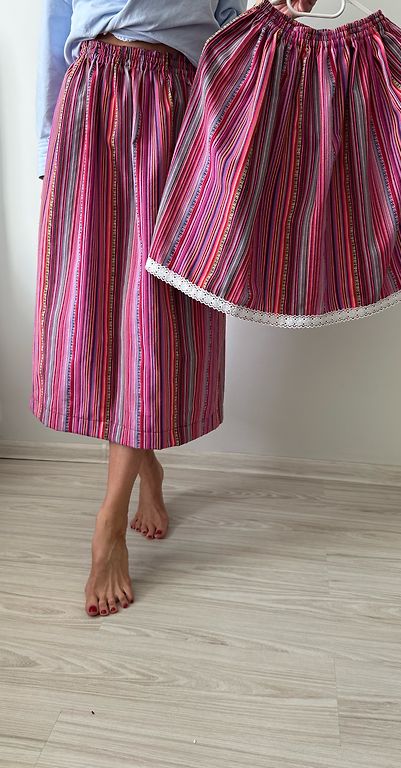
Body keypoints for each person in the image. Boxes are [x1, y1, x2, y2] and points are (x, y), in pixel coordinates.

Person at [31, 0, 248, 617]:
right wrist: (49, 144)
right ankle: (146, 466)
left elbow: (230, 23)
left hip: (176, 108)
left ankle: (110, 521)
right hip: (92, 100)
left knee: (151, 313)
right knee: (100, 307)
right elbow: (56, 21)